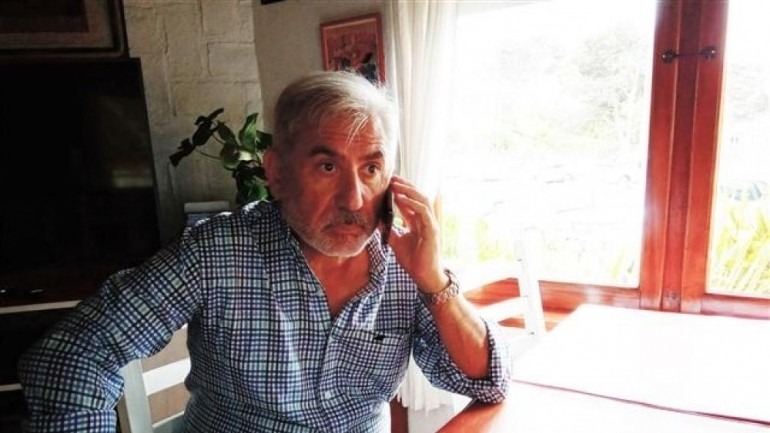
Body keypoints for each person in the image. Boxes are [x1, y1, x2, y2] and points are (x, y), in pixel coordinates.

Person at [18, 71, 511, 433]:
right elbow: (72, 356)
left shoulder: (408, 264)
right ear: (276, 173)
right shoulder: (217, 252)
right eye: (327, 167)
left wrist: (434, 282)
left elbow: (488, 382)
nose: (354, 199)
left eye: (371, 168)